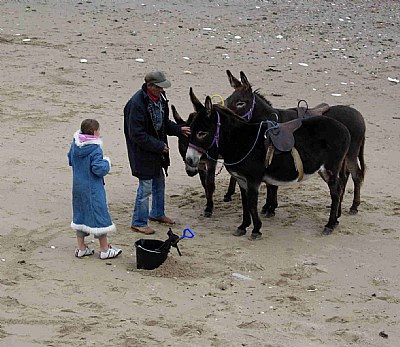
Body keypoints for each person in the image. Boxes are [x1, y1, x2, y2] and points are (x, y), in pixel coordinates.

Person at [124, 70, 190, 235]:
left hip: (156, 151)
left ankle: (157, 213)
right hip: (142, 153)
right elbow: (136, 134)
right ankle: (138, 222)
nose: (162, 90)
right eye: (159, 87)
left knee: (159, 181)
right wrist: (158, 146)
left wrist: (178, 130)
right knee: (145, 187)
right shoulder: (136, 104)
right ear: (149, 86)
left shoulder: (161, 99)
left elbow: (164, 123)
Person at [68, 119, 122, 259]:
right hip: (92, 188)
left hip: (78, 186)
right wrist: (107, 162)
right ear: (94, 132)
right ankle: (104, 249)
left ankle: (81, 248)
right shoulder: (95, 149)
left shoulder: (75, 145)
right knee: (99, 215)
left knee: (80, 214)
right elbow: (98, 169)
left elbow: (70, 159)